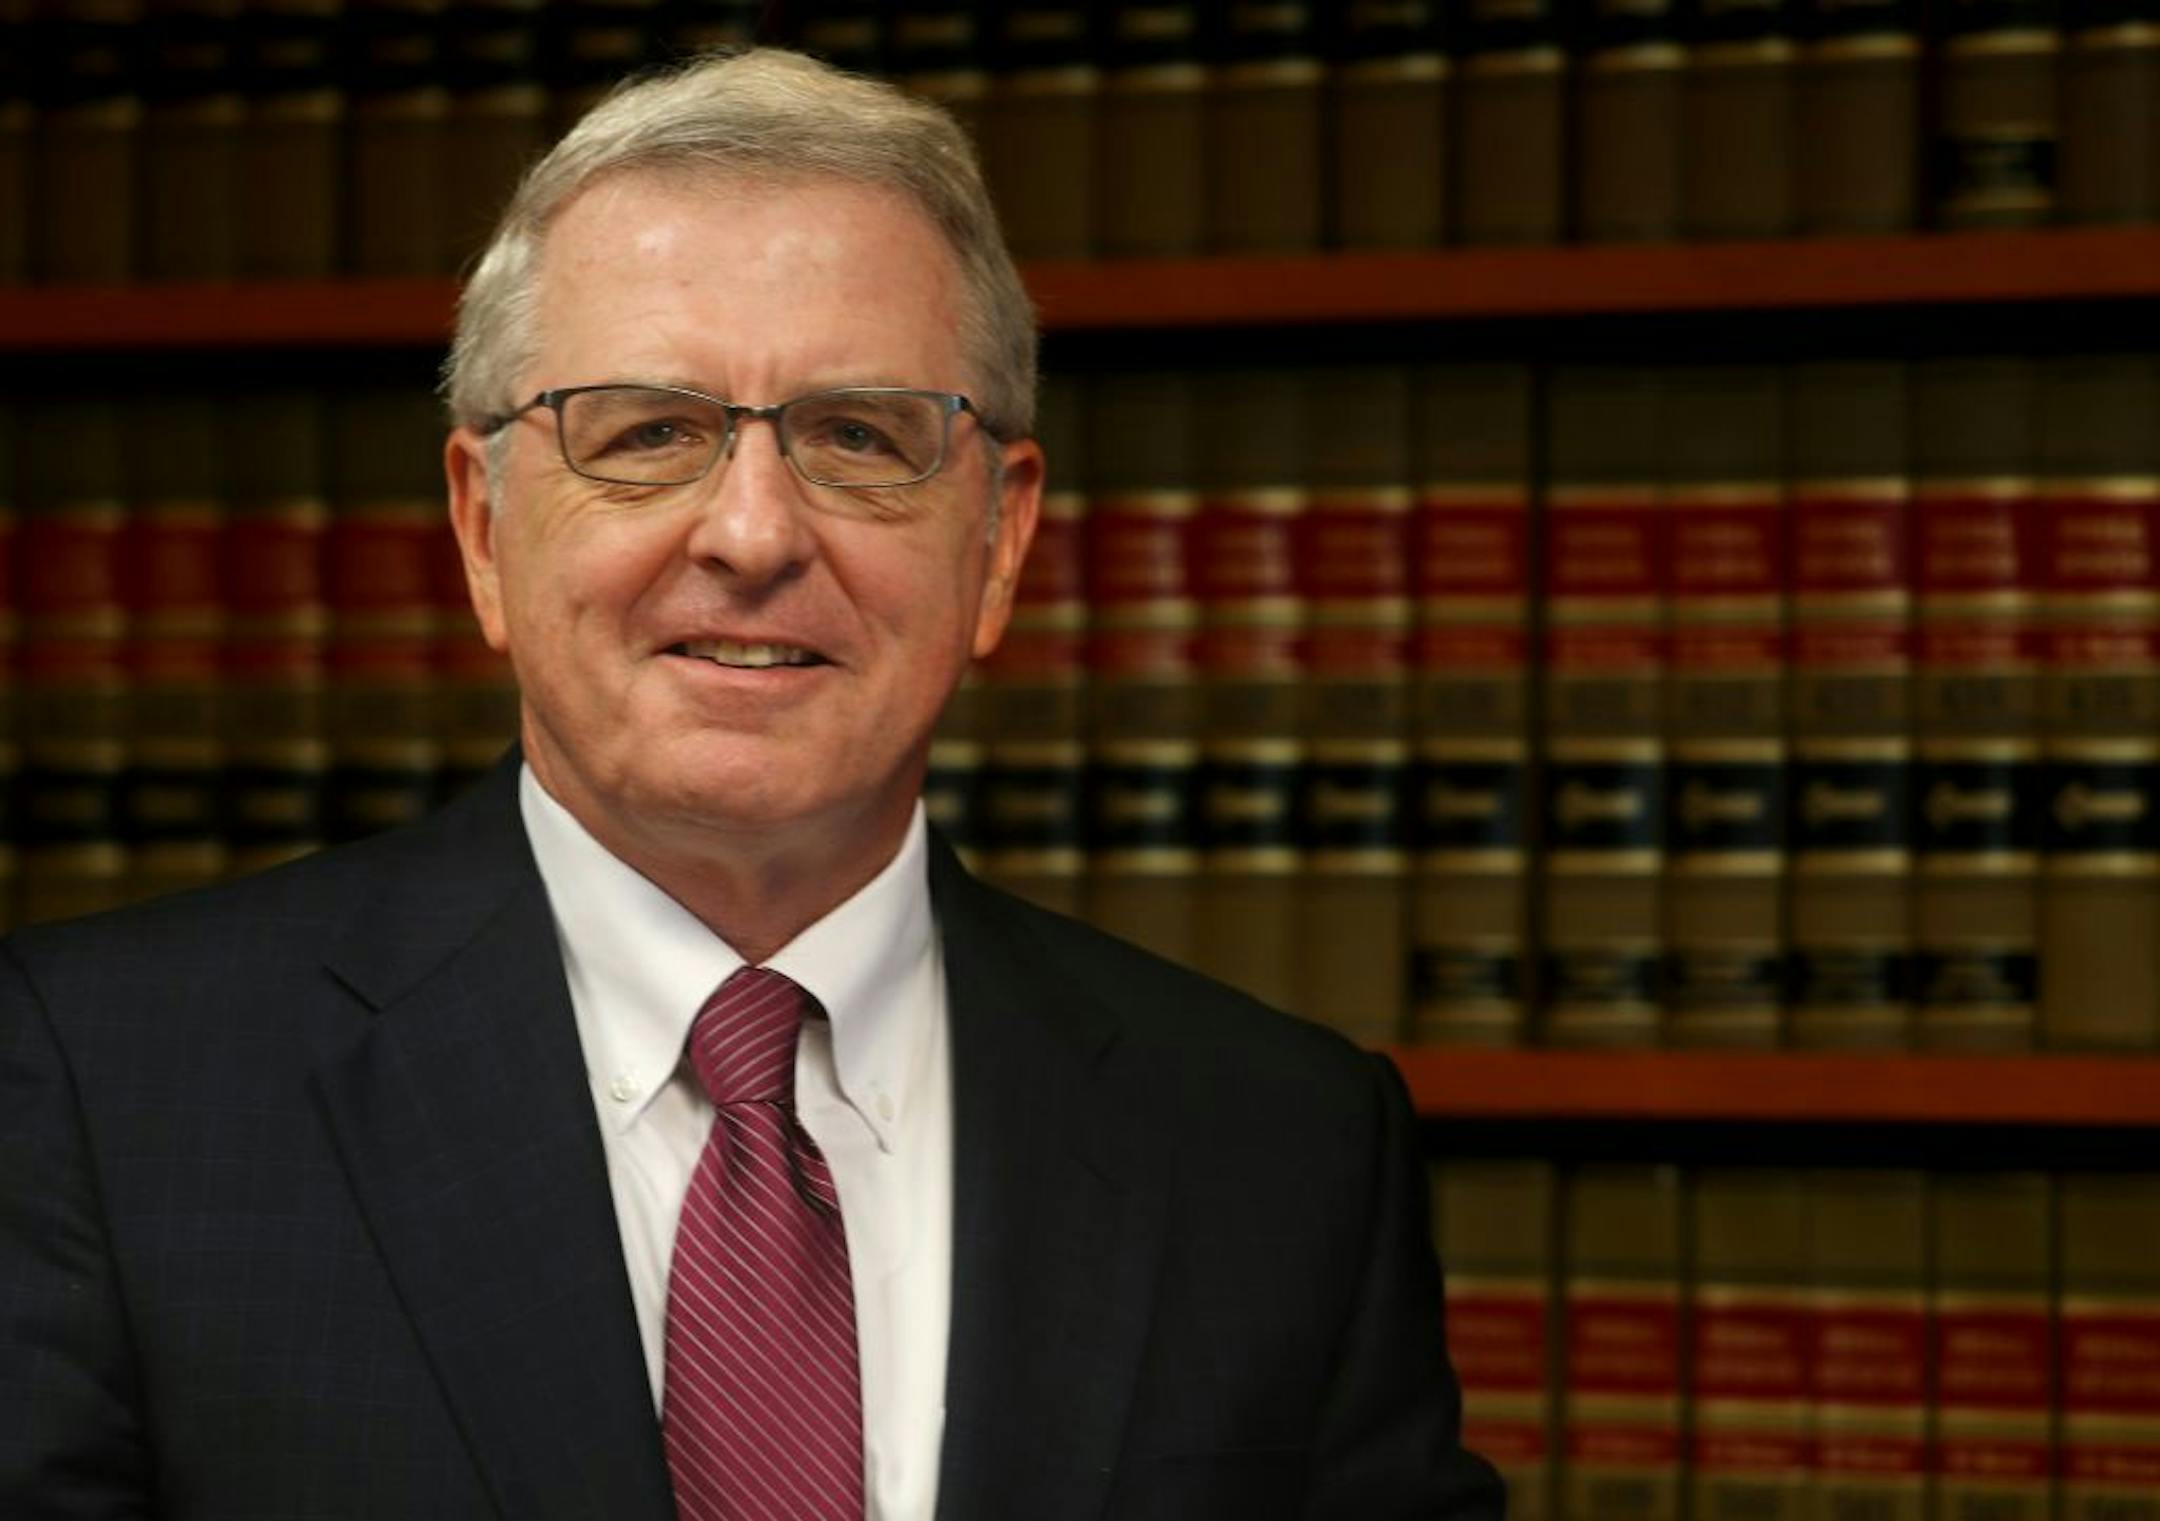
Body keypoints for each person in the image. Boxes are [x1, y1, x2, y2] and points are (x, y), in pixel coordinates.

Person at [0, 47, 1505, 1521]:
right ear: (481, 528)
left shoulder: (1282, 1149)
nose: (753, 533)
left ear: (998, 539)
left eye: (860, 436)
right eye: (649, 433)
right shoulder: (92, 1092)